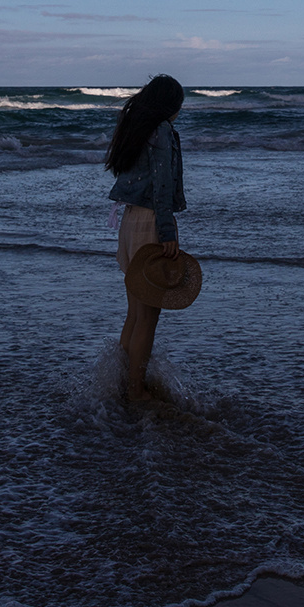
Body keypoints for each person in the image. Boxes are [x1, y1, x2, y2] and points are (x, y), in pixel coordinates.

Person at [104, 74, 186, 403]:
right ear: (169, 105)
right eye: (179, 104)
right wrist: (167, 231)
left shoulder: (135, 128)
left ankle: (122, 383)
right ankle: (136, 390)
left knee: (135, 313)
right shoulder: (161, 131)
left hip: (130, 221)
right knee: (148, 317)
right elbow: (161, 184)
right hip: (150, 223)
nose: (180, 111)